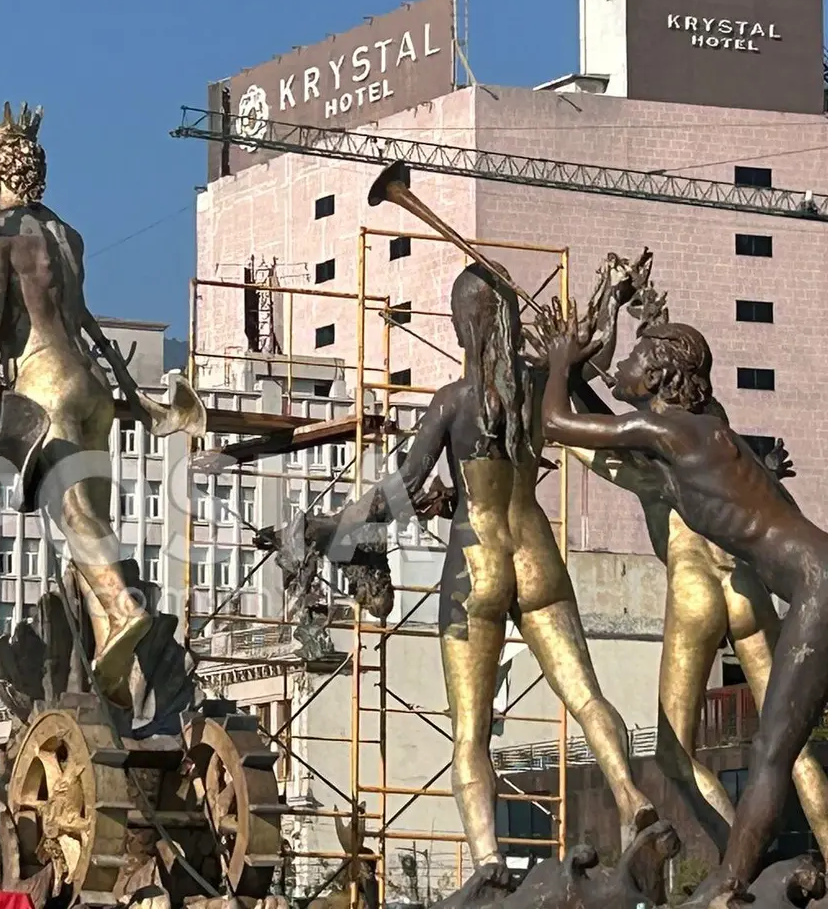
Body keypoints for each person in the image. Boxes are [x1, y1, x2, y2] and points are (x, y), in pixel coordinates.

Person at [270, 256, 656, 878]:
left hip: (475, 561)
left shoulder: (454, 402)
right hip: (537, 554)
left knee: (470, 733)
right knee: (587, 698)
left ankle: (487, 857)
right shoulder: (538, 387)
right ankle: (632, 797)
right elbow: (589, 349)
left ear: (462, 326)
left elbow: (398, 493)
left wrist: (330, 526)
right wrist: (611, 299)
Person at [535, 301, 828, 902]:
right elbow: (614, 436)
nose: (625, 362)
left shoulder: (668, 430)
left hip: (815, 585)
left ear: (665, 377)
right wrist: (591, 368)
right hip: (814, 574)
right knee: (781, 749)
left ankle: (731, 880)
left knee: (771, 752)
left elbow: (559, 425)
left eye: (636, 358)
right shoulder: (708, 430)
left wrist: (562, 361)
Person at [0, 101, 204, 704]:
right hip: (94, 387)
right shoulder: (68, 236)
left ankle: (123, 611)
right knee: (96, 530)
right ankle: (115, 668)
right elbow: (80, 317)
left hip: (44, 388)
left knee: (76, 522)